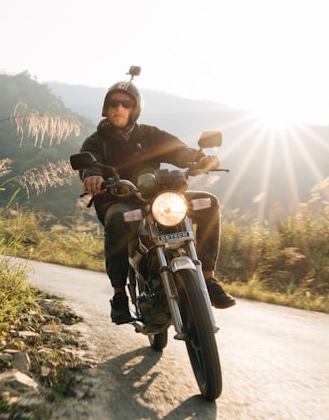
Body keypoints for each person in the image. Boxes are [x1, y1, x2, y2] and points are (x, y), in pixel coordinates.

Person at [77, 79, 236, 324]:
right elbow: (89, 163)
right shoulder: (96, 141)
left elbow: (177, 150)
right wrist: (92, 175)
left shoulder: (150, 134)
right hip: (121, 200)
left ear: (135, 109)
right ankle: (119, 296)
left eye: (126, 104)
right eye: (113, 103)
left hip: (157, 198)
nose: (119, 108)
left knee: (209, 202)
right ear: (106, 108)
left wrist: (199, 158)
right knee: (116, 218)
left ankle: (207, 278)